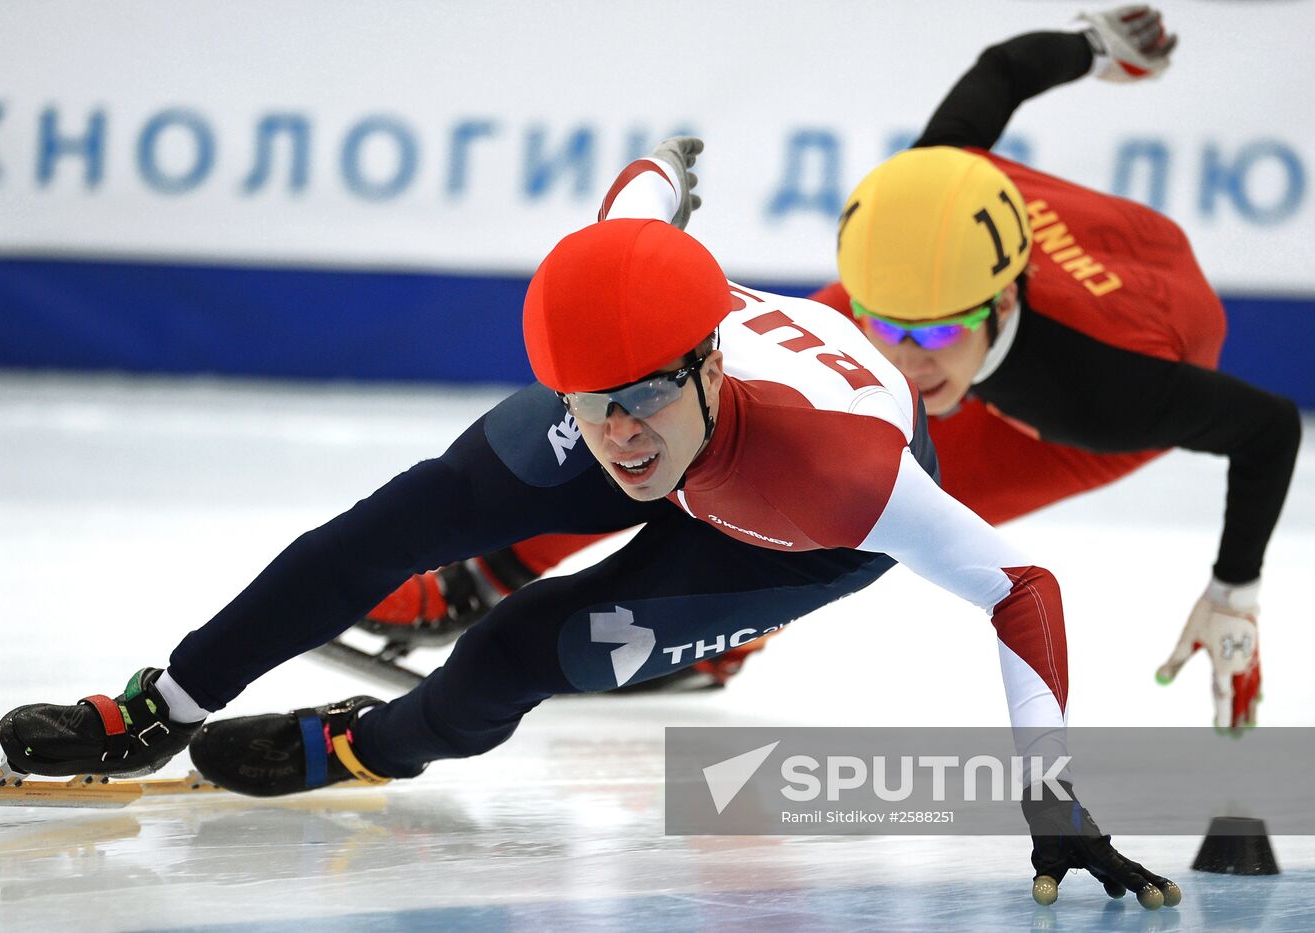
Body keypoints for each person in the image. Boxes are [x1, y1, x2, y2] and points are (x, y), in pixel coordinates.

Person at [0, 136, 1179, 908]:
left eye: (646, 400)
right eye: (592, 406)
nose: (620, 436)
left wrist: (1049, 795)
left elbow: (1020, 582)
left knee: (520, 647)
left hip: (779, 527)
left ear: (708, 360)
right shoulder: (627, 366)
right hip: (705, 422)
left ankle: (367, 745)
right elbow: (641, 192)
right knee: (387, 526)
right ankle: (161, 706)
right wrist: (667, 161)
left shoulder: (841, 476)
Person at [350, 5, 1300, 728]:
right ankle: (489, 571)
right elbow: (1004, 68)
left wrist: (1235, 587)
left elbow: (1268, 428)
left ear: (1002, 304)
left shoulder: (1108, 398)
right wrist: (1100, 45)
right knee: (731, 401)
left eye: (925, 338)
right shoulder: (924, 208)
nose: (893, 355)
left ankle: (732, 627)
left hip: (1129, 336)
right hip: (993, 275)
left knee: (870, 498)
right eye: (877, 322)